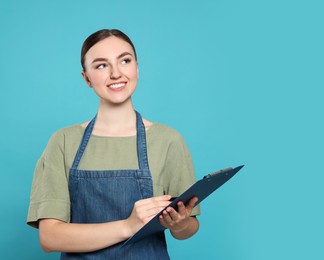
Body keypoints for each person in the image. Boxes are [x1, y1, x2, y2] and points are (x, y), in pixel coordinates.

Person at [27, 29, 200, 259]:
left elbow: (188, 229)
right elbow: (50, 237)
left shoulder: (168, 140)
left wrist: (179, 224)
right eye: (101, 65)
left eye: (125, 61)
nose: (116, 73)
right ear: (86, 77)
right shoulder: (64, 141)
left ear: (137, 67)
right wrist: (128, 226)